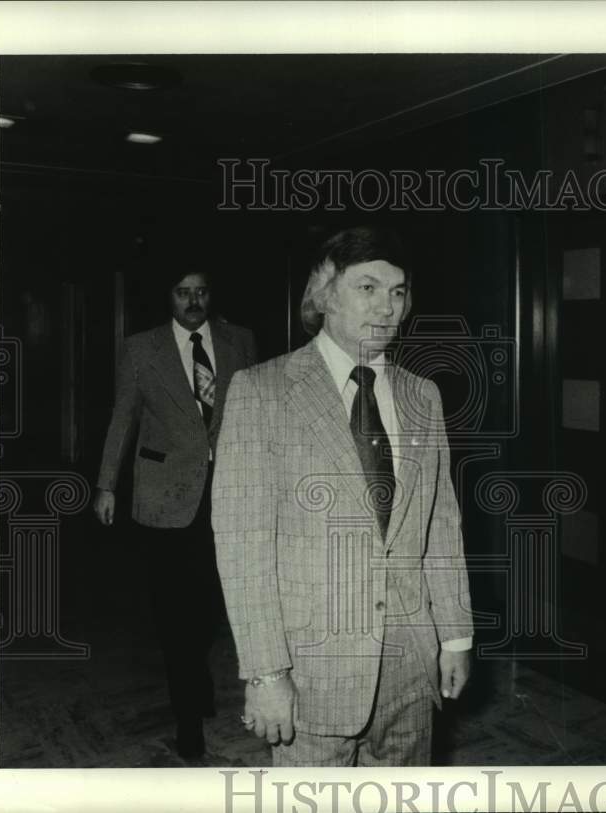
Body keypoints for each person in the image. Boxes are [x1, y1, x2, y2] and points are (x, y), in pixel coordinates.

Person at [211, 226, 473, 767]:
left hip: (410, 666)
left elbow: (441, 527)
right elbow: (243, 549)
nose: (387, 307)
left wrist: (455, 636)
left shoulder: (423, 395)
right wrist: (265, 674)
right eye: (367, 288)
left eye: (398, 292)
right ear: (325, 293)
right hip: (311, 673)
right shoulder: (261, 392)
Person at [93, 268, 257, 759]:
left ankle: (195, 669)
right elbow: (123, 416)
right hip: (164, 495)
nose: (193, 301)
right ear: (168, 296)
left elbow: (255, 413)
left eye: (201, 291)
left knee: (210, 606)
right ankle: (187, 715)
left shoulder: (240, 341)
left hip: (226, 493)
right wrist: (106, 485)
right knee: (173, 611)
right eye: (183, 293)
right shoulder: (142, 348)